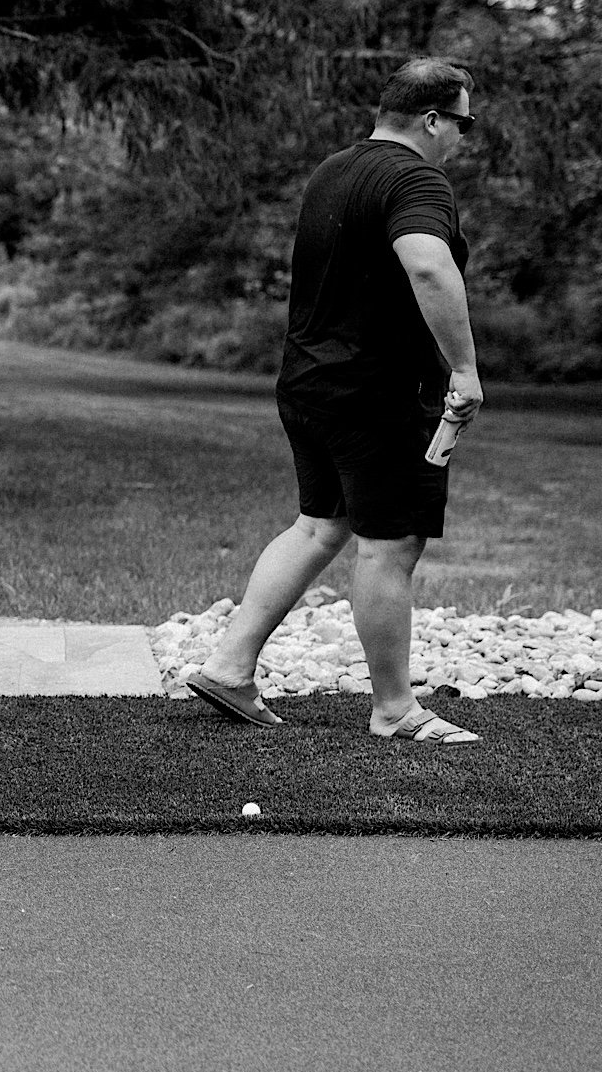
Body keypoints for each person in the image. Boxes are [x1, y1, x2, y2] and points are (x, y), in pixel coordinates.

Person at [188, 57, 483, 745]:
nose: (463, 139)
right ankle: (394, 710)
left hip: (309, 381)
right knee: (392, 542)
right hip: (375, 393)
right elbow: (427, 264)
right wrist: (463, 369)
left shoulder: (333, 170)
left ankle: (229, 668)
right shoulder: (417, 178)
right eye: (464, 123)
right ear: (433, 119)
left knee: (321, 525)